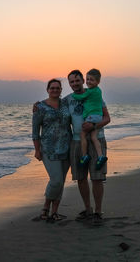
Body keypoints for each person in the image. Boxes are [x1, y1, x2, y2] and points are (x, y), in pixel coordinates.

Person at [64, 69, 110, 225]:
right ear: (69, 84)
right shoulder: (67, 100)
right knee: (81, 178)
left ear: (83, 80)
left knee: (97, 178)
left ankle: (98, 211)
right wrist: (39, 106)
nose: (75, 84)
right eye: (72, 81)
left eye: (77, 80)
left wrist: (94, 125)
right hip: (77, 142)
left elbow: (107, 118)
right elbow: (52, 105)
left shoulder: (96, 94)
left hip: (97, 139)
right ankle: (88, 209)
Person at [32, 79, 72, 222]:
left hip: (67, 148)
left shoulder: (67, 104)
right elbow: (35, 131)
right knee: (56, 181)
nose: (55, 90)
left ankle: (54, 212)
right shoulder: (40, 107)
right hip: (48, 149)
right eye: (52, 88)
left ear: (61, 90)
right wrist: (37, 150)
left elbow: (83, 93)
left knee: (61, 182)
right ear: (47, 89)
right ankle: (45, 207)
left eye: (57, 88)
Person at [71, 69, 108, 170]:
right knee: (93, 137)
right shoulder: (98, 91)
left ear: (98, 82)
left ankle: (85, 156)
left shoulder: (91, 92)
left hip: (92, 116)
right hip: (98, 116)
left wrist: (73, 95)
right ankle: (101, 156)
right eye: (88, 79)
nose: (88, 82)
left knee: (83, 134)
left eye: (91, 80)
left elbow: (81, 97)